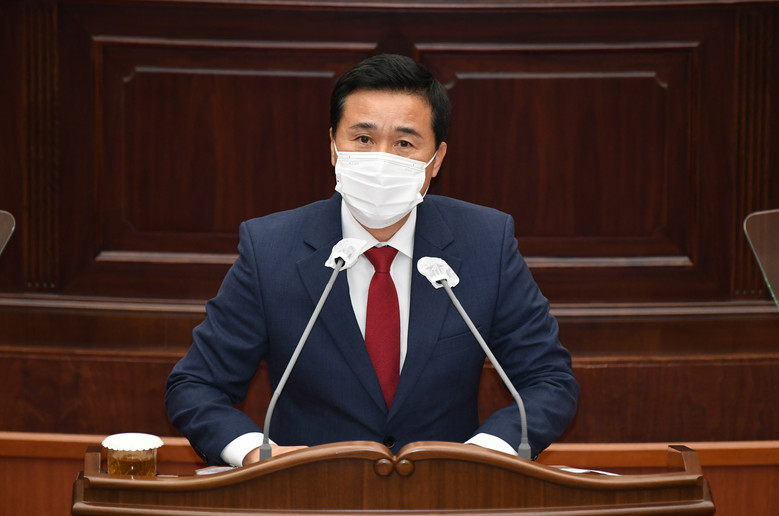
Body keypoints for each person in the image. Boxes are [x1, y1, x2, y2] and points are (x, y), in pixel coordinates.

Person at [165, 54, 579, 467]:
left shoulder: (485, 243)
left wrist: (484, 455)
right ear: (333, 146)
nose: (382, 159)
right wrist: (255, 454)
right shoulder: (271, 249)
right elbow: (195, 385)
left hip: (447, 490)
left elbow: (549, 380)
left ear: (436, 160)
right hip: (309, 492)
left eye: (404, 143)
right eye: (363, 139)